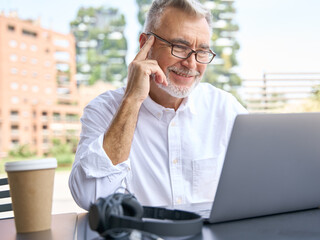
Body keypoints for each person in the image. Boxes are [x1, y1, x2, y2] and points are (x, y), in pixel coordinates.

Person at [69, 0, 247, 210]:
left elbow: (261, 181)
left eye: (202, 52)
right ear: (145, 43)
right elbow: (91, 197)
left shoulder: (225, 108)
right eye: (180, 47)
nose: (191, 64)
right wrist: (132, 100)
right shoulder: (103, 110)